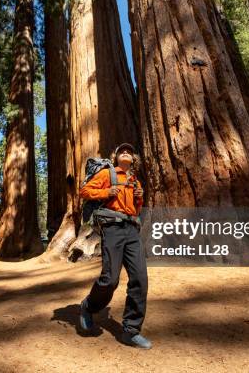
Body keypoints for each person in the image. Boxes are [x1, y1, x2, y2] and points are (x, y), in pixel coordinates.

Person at [78, 143, 151, 350]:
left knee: (140, 279)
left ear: (133, 159)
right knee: (110, 279)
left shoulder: (135, 180)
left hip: (131, 230)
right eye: (122, 151)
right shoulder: (107, 174)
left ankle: (131, 331)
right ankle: (88, 306)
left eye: (129, 151)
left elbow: (135, 210)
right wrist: (106, 192)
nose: (126, 152)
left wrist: (139, 199)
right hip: (112, 228)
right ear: (116, 157)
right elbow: (84, 191)